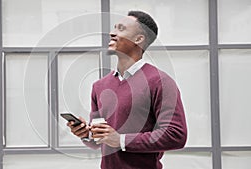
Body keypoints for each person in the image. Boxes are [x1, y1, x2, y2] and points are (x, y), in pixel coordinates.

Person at [67, 10, 187, 169]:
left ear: (138, 39)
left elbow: (175, 135)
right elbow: (100, 140)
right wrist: (87, 134)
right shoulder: (99, 86)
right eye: (114, 28)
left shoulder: (160, 82)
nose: (112, 33)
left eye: (121, 29)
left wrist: (121, 140)